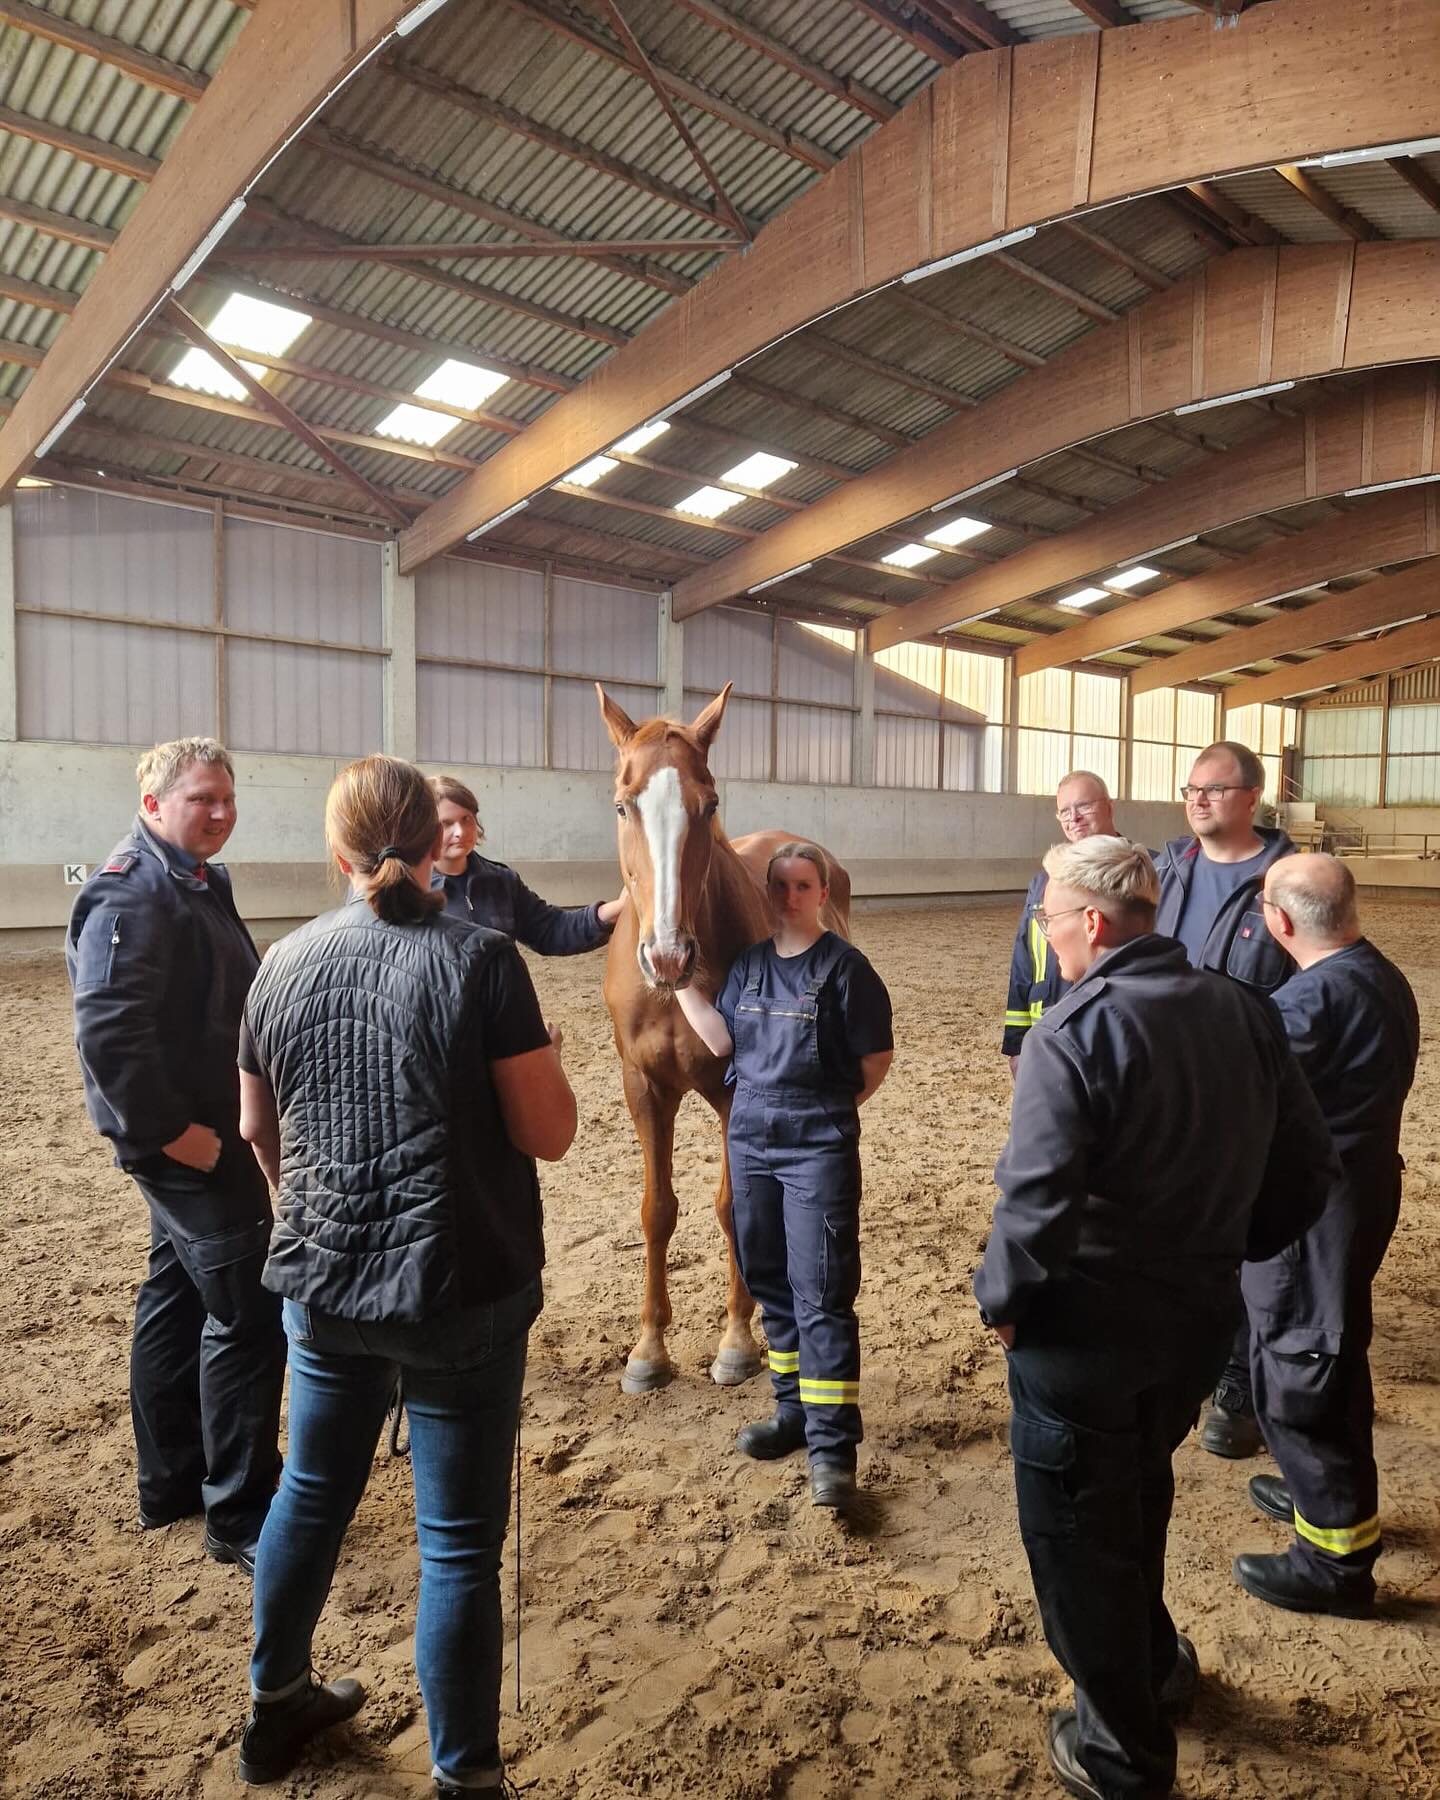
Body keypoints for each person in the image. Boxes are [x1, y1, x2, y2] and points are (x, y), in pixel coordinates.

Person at [233, 756, 577, 1792]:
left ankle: (274, 1703)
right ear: (439, 844)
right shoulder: (481, 960)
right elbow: (548, 1133)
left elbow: (256, 1128)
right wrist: (549, 1062)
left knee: (309, 1491)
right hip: (456, 1288)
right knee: (459, 1545)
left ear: (336, 850)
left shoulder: (280, 961)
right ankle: (465, 1775)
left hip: (322, 1280)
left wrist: (308, 1211)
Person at [974, 835, 1336, 1800]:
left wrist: (1001, 1301)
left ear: (1092, 922)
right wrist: (1226, 1250)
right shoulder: (1244, 1008)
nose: (1046, 936)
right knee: (1137, 1490)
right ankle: (1157, 1664)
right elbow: (1307, 1169)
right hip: (1196, 1322)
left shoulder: (1071, 1032)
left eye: (1050, 920)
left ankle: (1121, 1754)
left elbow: (1034, 1207)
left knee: (1074, 1538)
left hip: (1085, 1337)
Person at [66, 737, 283, 1573]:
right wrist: (169, 1134)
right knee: (246, 1314)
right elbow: (108, 1035)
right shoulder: (133, 893)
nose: (222, 813)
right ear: (154, 804)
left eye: (228, 798)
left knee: (175, 1295)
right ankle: (239, 1512)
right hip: (187, 1144)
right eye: (202, 800)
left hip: (207, 1129)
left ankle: (170, 1486)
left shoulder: (196, 878)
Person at [674, 842, 893, 1512]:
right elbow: (720, 1040)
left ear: (823, 893)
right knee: (768, 1278)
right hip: (750, 1141)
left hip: (815, 1145)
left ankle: (832, 1450)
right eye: (780, 886)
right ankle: (793, 1412)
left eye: (803, 886)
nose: (791, 897)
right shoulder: (748, 967)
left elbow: (875, 1062)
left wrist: (821, 1112)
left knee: (821, 1291)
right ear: (768, 894)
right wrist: (678, 982)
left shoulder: (847, 970)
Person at [1235, 854, 1419, 1619]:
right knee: (1332, 1355)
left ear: (1278, 921)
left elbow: (1248, 1105)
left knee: (1301, 1368)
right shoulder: (1380, 975)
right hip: (1362, 1191)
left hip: (1313, 1211)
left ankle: (1334, 1562)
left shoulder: (1306, 1002)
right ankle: (1323, 1497)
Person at [1154, 739, 1296, 1460]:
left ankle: (1239, 1384)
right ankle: (1193, 1357)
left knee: (1245, 1234)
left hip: (1246, 1086)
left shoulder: (1288, 879)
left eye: (1212, 789)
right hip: (1164, 1080)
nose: (1197, 800)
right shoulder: (1166, 869)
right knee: (1176, 1227)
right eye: (1190, 789)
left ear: (1251, 798)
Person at [1003, 771, 1118, 1075]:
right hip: (1050, 1028)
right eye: (1065, 811)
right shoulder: (1044, 882)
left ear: (1109, 807)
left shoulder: (1145, 870)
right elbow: (1024, 959)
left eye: (1084, 806)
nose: (1074, 818)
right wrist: (1017, 1042)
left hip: (1114, 1032)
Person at [429, 773, 626, 949]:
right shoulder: (415, 891)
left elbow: (551, 929)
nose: (460, 832)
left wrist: (615, 909)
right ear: (425, 827)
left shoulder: (502, 881)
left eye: (466, 819)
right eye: (446, 824)